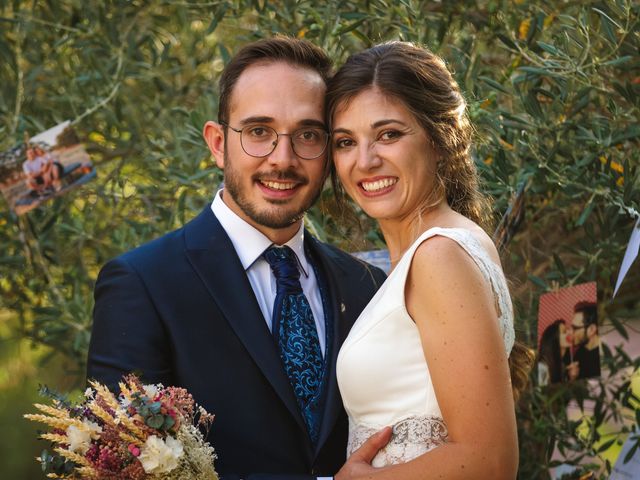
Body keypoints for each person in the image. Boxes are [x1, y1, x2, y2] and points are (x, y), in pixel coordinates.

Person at [87, 37, 386, 479]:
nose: (282, 160)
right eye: (259, 132)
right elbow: (115, 466)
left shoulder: (366, 287)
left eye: (307, 134)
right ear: (217, 142)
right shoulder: (143, 284)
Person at [326, 41, 534, 478]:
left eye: (389, 134)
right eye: (346, 142)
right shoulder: (450, 244)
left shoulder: (440, 255)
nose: (365, 161)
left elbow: (490, 461)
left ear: (441, 140)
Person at [567, 302, 600, 381]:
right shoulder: (579, 353)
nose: (569, 332)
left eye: (574, 328)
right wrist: (573, 378)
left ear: (592, 329)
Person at [538, 319, 572, 385]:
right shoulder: (542, 368)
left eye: (568, 330)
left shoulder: (564, 365)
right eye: (564, 332)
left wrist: (572, 378)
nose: (570, 333)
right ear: (554, 338)